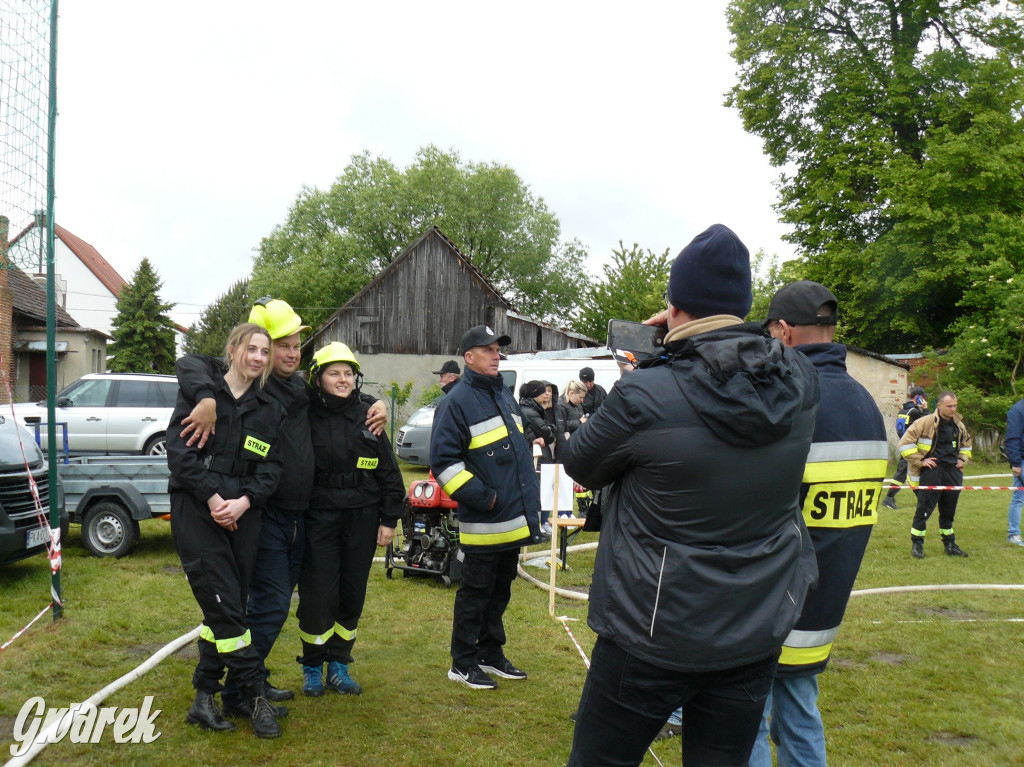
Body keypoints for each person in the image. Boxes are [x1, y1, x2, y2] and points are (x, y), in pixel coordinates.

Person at [563, 224, 820, 767]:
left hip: (653, 628)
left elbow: (582, 461)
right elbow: (733, 369)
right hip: (755, 621)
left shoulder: (647, 389)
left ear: (674, 306)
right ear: (746, 303)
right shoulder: (797, 375)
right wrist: (682, 348)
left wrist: (659, 355)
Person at [175, 297, 387, 710]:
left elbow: (339, 394)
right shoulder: (250, 383)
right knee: (263, 606)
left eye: (295, 346)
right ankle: (240, 686)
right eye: (279, 345)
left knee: (249, 606)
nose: (290, 354)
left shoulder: (298, 389)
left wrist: (375, 403)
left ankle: (242, 679)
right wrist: (205, 396)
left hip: (300, 518)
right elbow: (193, 363)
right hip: (263, 515)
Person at [749, 280, 888, 767]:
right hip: (826, 598)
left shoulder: (790, 398)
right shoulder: (865, 404)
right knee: (800, 711)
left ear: (784, 331)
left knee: (744, 721)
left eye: (769, 331)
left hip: (771, 600)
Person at [168, 323, 287, 738]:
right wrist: (214, 499)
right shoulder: (202, 394)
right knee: (226, 604)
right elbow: (179, 455)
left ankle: (203, 697)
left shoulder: (270, 407)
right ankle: (254, 695)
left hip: (242, 511)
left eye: (264, 352)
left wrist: (245, 501)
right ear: (234, 350)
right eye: (251, 349)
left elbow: (272, 466)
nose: (257, 358)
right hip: (197, 508)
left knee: (226, 604)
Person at [430, 324, 542, 690]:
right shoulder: (455, 402)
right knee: (475, 593)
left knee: (500, 590)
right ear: (469, 357)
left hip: (513, 521)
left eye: (498, 349)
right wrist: (486, 498)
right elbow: (445, 464)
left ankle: (489, 653)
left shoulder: (504, 396)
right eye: (488, 349)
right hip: (485, 522)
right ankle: (462, 662)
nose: (497, 355)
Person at [297, 342, 406, 696]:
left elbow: (389, 472)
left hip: (361, 516)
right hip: (318, 518)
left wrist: (389, 519)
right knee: (317, 596)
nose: (342, 380)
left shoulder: (368, 414)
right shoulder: (304, 411)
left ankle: (339, 666)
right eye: (334, 373)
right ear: (318, 377)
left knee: (351, 594)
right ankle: (313, 667)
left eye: (348, 373)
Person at [899, 391, 972, 558]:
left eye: (955, 406)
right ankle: (917, 544)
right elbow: (904, 444)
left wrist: (962, 459)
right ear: (939, 405)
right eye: (949, 406)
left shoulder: (959, 425)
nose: (953, 409)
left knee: (948, 510)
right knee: (924, 509)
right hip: (932, 471)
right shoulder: (924, 422)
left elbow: (967, 444)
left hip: (953, 472)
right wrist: (920, 461)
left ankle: (950, 544)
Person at [881, 387, 929, 510]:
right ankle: (889, 499)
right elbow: (929, 423)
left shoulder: (903, 410)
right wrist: (925, 409)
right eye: (923, 397)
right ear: (918, 397)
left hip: (905, 444)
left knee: (912, 472)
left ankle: (923, 499)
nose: (924, 400)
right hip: (911, 446)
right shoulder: (915, 411)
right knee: (903, 473)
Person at [1004, 398, 1024, 546]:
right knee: (1019, 497)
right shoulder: (1017, 410)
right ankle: (1014, 533)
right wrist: (1016, 463)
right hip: (1022, 460)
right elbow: (1011, 438)